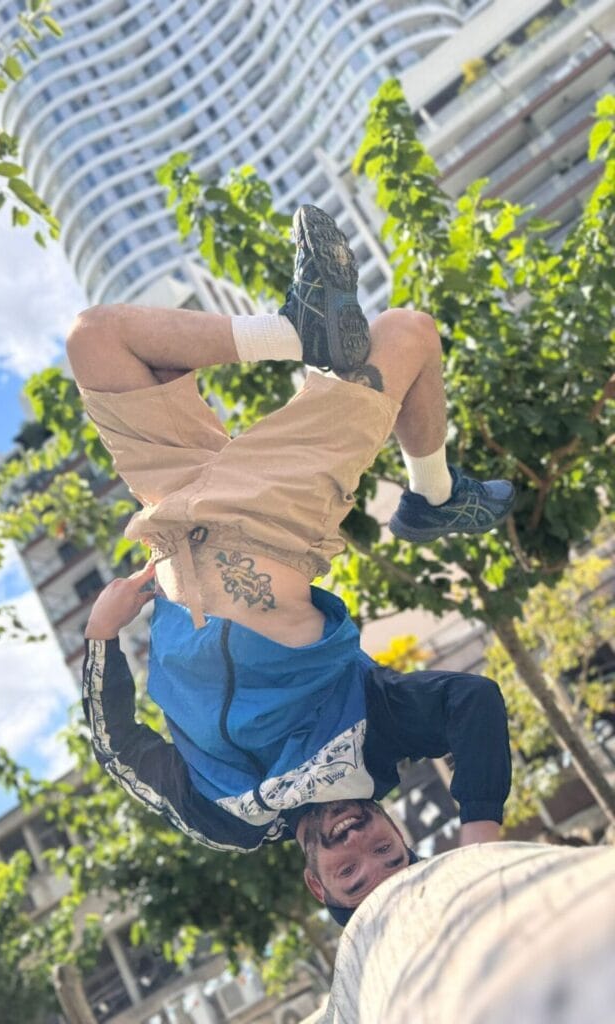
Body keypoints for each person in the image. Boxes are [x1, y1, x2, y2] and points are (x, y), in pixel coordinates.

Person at [68, 205, 513, 916]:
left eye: (352, 875)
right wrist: (481, 845)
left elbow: (121, 748)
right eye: (389, 854)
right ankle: (431, 489)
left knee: (97, 339)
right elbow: (473, 702)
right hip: (264, 521)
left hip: (174, 520)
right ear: (402, 831)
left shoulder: (226, 823)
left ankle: (423, 484)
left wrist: (100, 638)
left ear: (316, 883)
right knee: (406, 331)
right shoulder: (381, 741)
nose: (359, 846)